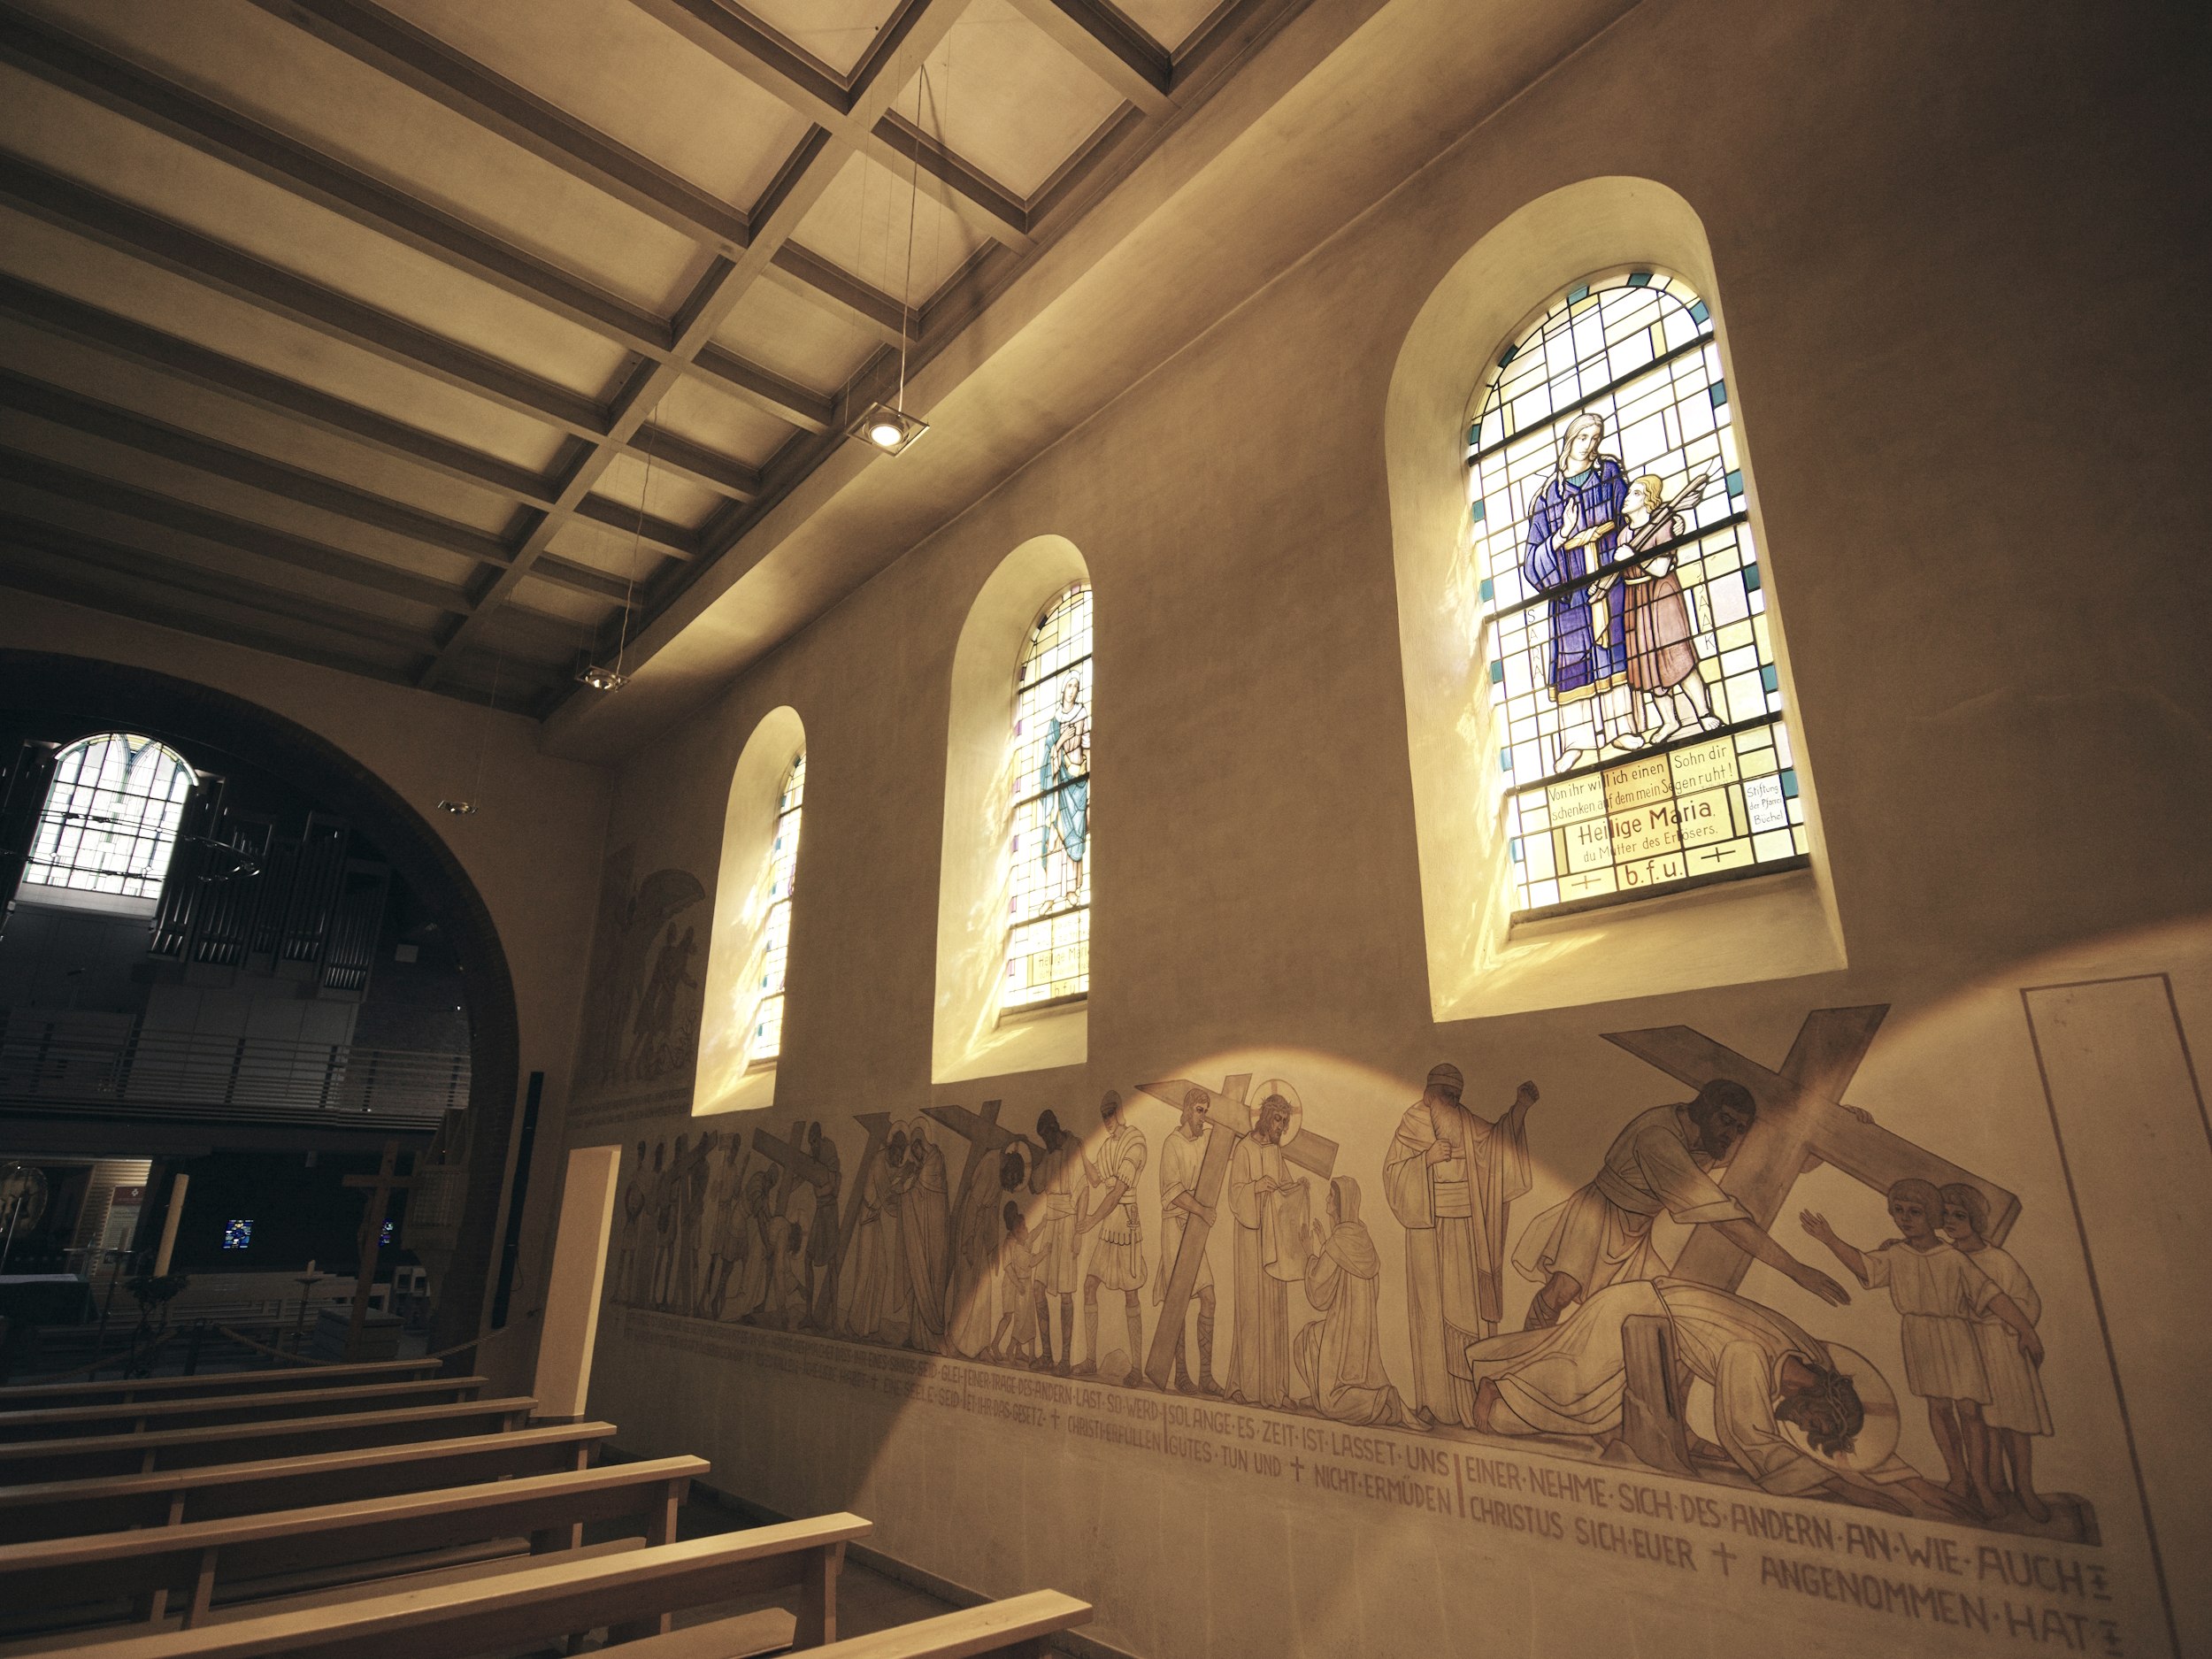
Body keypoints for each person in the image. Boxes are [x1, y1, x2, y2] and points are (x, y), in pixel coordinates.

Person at [1469, 1278, 1962, 1516]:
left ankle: (1498, 1378)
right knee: (1580, 1393)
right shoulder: (1750, 1356)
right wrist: (1851, 1491)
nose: (1803, 1429)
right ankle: (1495, 1391)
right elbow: (1746, 1434)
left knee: (1590, 1399)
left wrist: (1912, 1483)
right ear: (1819, 1403)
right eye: (1815, 1426)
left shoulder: (1812, 1360)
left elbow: (1854, 1423)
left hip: (1657, 1317)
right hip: (1636, 1310)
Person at [1515, 1078, 1850, 1330]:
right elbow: (1725, 1219)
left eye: (1739, 1128)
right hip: (1598, 1217)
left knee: (1654, 1314)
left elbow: (1777, 1163)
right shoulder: (1658, 1138)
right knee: (1561, 1292)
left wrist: (1836, 1132)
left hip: (1636, 1233)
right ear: (1704, 1109)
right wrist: (1796, 1270)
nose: (1731, 1134)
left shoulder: (1711, 1138)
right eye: (1726, 1120)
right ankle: (1519, 1362)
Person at [1802, 1181, 2040, 1518]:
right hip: (1919, 1335)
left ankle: (1982, 1485)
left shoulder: (1953, 1258)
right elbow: (1864, 1266)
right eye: (1898, 1211)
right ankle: (1958, 1478)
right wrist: (1830, 1239)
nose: (1905, 1219)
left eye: (1914, 1212)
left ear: (1932, 1216)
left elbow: (1991, 1296)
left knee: (1970, 1411)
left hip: (1956, 1334)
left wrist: (2026, 1329)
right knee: (1939, 1408)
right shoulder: (1897, 1254)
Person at [1384, 1065, 1534, 1425]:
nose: (1451, 1102)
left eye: (1456, 1096)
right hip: (1427, 1231)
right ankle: (1434, 1402)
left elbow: (1498, 1143)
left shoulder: (1465, 1123)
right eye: (1446, 1095)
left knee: (1466, 1315)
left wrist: (1520, 1110)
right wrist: (1426, 1159)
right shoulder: (1411, 1123)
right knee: (1430, 1318)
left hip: (1466, 1233)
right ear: (1429, 1093)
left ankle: (1468, 1405)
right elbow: (1392, 1175)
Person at [1522, 411, 1631, 772]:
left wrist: (1615, 567)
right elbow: (1532, 560)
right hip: (1569, 591)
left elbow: (1629, 521)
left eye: (1595, 438)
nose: (1590, 444)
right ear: (1570, 440)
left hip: (1608, 577)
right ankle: (1576, 741)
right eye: (1584, 437)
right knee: (1573, 660)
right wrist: (1562, 535)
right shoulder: (1547, 496)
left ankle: (1622, 728)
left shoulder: (1610, 475)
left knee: (1614, 648)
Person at [1940, 1183, 2054, 1523]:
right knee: (1979, 1422)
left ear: (1975, 1219)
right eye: (1945, 1214)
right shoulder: (1944, 1258)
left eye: (1959, 1215)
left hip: (2003, 1349)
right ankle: (1992, 1485)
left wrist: (2010, 1325)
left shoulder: (1999, 1260)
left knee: (2015, 1423)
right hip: (1967, 1347)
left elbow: (2027, 1302)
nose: (1950, 1221)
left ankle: (2025, 1490)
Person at [1294, 1178, 1423, 1427]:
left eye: (1332, 1197)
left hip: (1342, 1334)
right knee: (1307, 1340)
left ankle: (1380, 1399)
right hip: (1362, 1336)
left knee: (1333, 1400)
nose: (1328, 1200)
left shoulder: (1339, 1242)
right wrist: (1326, 1244)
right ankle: (1324, 1397)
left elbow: (1318, 1291)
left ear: (1342, 1204)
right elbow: (1345, 1272)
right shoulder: (1361, 1238)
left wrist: (1310, 1252)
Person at [1604, 472, 1718, 746]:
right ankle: (1669, 720)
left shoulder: (1663, 526)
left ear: (1649, 500)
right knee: (1648, 663)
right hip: (1635, 600)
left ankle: (1704, 713)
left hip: (1662, 595)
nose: (1627, 498)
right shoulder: (1624, 535)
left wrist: (1634, 557)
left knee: (1677, 655)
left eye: (1636, 493)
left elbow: (1661, 567)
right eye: (1629, 492)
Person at [1225, 1094, 1302, 1409]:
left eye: (1285, 1122)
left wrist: (1297, 1189)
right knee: (1250, 1310)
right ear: (1266, 1117)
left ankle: (1275, 1390)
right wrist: (1256, 1187)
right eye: (1277, 1119)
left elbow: (1284, 1189)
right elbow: (1234, 1195)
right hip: (1249, 1237)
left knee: (1274, 1312)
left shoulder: (1275, 1152)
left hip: (1273, 1242)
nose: (1281, 1127)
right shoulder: (1244, 1148)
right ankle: (1245, 1386)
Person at [1077, 1090, 1148, 1380]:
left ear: (1119, 1110)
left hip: (1126, 1222)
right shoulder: (1106, 1147)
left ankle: (1137, 1367)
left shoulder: (1135, 1140)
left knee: (1131, 1293)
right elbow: (1096, 1179)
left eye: (1110, 1113)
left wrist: (1092, 1219)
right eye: (1103, 1115)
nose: (1107, 1120)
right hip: (1109, 1226)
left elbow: (1117, 1192)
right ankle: (1090, 1359)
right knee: (1090, 1286)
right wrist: (1081, 1152)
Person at [1156, 1086, 1222, 1394]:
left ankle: (1205, 1375)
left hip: (1194, 1228)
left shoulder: (1206, 1140)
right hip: (1175, 1228)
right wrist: (1202, 1210)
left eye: (1206, 1112)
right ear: (1186, 1110)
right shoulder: (1172, 1144)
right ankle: (1181, 1373)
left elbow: (1228, 1146)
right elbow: (1172, 1192)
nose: (1202, 1117)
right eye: (1199, 1110)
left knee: (1209, 1297)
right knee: (1178, 1301)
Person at [1027, 1110, 1083, 1373]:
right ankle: (1047, 1355)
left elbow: (1084, 1192)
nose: (1045, 1141)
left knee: (1065, 1292)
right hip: (1051, 1222)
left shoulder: (1075, 1146)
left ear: (1054, 1129)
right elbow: (1035, 1185)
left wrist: (1078, 1233)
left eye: (1046, 1136)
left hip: (1068, 1223)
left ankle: (1066, 1359)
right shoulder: (1049, 1155)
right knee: (1038, 1287)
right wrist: (1039, 1158)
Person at [897, 1120, 951, 1352]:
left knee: (930, 1277)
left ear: (921, 1142)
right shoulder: (924, 1164)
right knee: (918, 1275)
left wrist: (903, 1192)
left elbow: (919, 1189)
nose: (915, 1155)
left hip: (935, 1232)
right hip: (923, 1229)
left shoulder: (935, 1159)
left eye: (915, 1149)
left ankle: (931, 1335)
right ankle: (916, 1333)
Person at [1040, 674, 1089, 909]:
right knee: (1055, 836)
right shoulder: (1055, 721)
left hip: (1079, 780)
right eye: (1069, 685)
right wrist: (1061, 741)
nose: (1073, 690)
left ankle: (1071, 889)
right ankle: (1051, 893)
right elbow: (1048, 755)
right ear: (1063, 689)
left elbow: (1088, 746)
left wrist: (1085, 769)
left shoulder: (1082, 713)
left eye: (1076, 686)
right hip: (1059, 782)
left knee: (1075, 834)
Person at [842, 1132, 897, 1339]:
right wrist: (904, 1208)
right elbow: (887, 1197)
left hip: (875, 1220)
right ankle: (852, 1323)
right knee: (865, 1273)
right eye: (899, 1153)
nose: (900, 1158)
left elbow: (894, 1181)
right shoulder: (879, 1162)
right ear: (892, 1148)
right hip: (867, 1219)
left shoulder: (889, 1162)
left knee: (882, 1271)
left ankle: (872, 1326)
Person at [990, 1200, 1048, 1367]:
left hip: (1020, 1283)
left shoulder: (1020, 1239)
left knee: (1021, 1317)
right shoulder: (1010, 1243)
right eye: (1013, 1216)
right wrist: (1018, 1284)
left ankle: (1019, 1351)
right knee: (1009, 1317)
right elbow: (1008, 1268)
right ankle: (996, 1344)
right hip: (1011, 1284)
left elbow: (1032, 1236)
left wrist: (1042, 1224)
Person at [703, 1135, 751, 1318]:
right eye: (734, 1148)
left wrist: (744, 1169)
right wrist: (718, 1186)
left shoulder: (735, 1168)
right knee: (714, 1259)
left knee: (726, 1261)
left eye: (737, 1148)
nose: (735, 1152)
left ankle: (718, 1303)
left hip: (729, 1215)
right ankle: (705, 1299)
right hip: (720, 1216)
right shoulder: (722, 1167)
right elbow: (713, 1194)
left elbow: (737, 1194)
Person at [803, 1123, 843, 1328]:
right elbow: (804, 1174)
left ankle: (834, 1320)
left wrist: (820, 1191)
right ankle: (808, 1315)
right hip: (820, 1212)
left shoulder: (829, 1150)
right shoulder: (813, 1155)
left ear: (820, 1138)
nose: (813, 1146)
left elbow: (834, 1188)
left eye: (814, 1141)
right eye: (810, 1142)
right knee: (807, 1258)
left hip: (829, 1212)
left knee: (832, 1264)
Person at [617, 1141, 648, 1303]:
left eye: (641, 1150)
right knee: (623, 1254)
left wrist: (635, 1215)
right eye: (638, 1150)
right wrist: (628, 1213)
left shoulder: (644, 1173)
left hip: (636, 1217)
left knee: (632, 1256)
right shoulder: (634, 1170)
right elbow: (628, 1191)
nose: (639, 1153)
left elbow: (642, 1196)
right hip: (629, 1215)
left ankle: (628, 1293)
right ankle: (617, 1290)